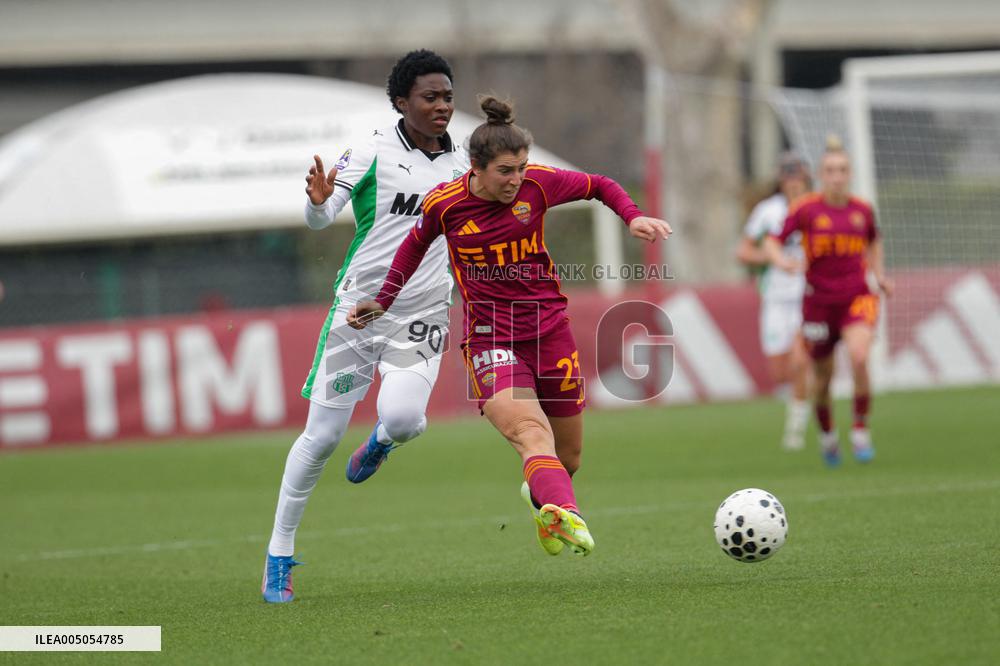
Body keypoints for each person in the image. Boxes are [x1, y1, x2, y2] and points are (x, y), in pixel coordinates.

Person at [348, 96, 671, 557]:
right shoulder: (446, 204)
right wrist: (382, 300)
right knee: (530, 434)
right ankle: (568, 515)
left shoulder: (538, 186)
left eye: (521, 167)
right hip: (491, 340)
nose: (516, 179)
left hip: (550, 332)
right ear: (475, 168)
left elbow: (598, 184)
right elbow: (413, 248)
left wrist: (633, 215)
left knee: (568, 458)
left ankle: (545, 498)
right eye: (505, 171)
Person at [261, 49, 469, 603]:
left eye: (448, 95)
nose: (442, 106)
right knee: (323, 435)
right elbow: (323, 215)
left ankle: (380, 441)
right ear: (402, 102)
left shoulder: (463, 166)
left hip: (422, 311)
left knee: (403, 420)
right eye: (430, 97)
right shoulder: (373, 148)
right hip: (358, 310)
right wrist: (317, 204)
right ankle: (279, 553)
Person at [765, 136, 893, 467]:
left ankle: (860, 429)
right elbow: (772, 241)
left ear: (849, 173)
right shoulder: (805, 209)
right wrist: (780, 261)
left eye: (843, 170)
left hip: (856, 298)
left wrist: (878, 275)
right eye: (831, 170)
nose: (837, 176)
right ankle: (828, 435)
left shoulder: (862, 210)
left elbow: (874, 242)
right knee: (821, 378)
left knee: (860, 355)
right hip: (818, 304)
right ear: (821, 175)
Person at [736, 153, 812, 450]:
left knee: (800, 360)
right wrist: (771, 258)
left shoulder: (816, 208)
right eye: (788, 176)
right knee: (779, 371)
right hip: (776, 297)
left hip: (808, 295)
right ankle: (805, 397)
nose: (793, 182)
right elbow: (743, 252)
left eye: (798, 176)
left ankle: (797, 428)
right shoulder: (767, 211)